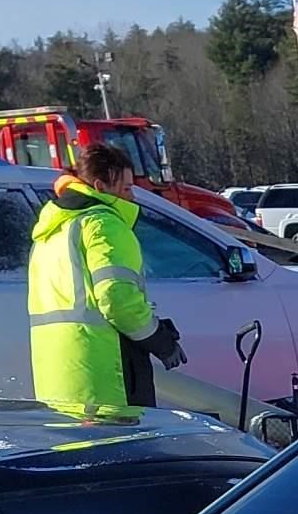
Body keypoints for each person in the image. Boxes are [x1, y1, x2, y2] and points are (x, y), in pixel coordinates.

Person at [26, 143, 183, 416]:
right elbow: (117, 298)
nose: (132, 196)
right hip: (107, 378)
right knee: (124, 452)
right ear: (100, 186)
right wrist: (160, 340)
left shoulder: (51, 232)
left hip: (61, 379)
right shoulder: (103, 224)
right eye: (125, 188)